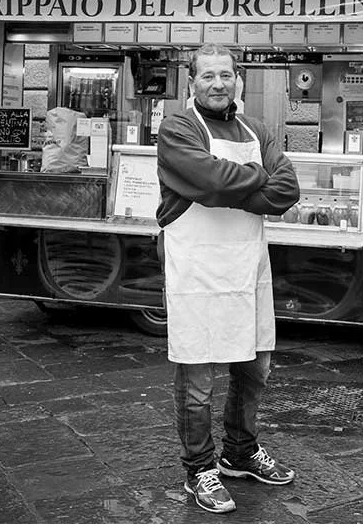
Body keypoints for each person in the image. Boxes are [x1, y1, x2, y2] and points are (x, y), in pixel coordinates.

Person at [156, 43, 300, 514]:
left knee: (255, 368)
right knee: (198, 378)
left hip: (248, 265)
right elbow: (210, 180)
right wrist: (255, 176)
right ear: (191, 82)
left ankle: (240, 452)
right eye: (207, 76)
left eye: (226, 75)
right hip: (197, 269)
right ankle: (199, 468)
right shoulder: (178, 128)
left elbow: (287, 190)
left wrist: (228, 185)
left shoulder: (258, 129)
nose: (218, 84)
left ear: (239, 80)